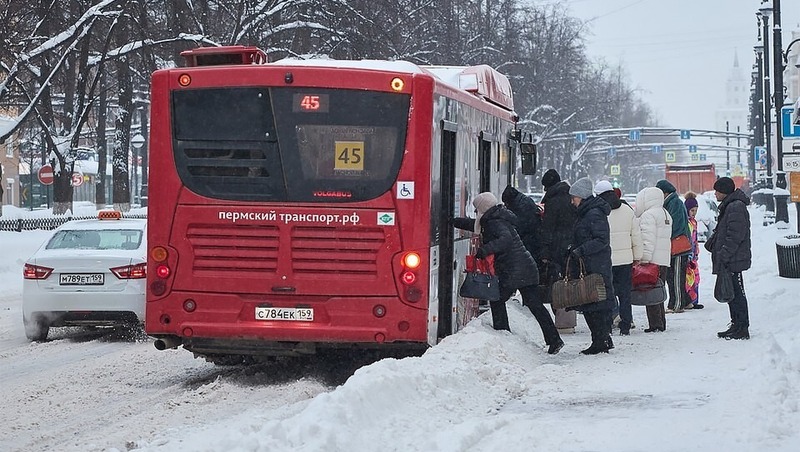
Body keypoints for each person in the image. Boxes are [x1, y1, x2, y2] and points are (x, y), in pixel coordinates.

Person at [453, 192, 564, 353]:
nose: (476, 213)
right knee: (535, 306)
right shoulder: (496, 218)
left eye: (477, 209)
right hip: (523, 268)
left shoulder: (494, 222)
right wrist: (455, 222)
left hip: (516, 270)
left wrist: (485, 250)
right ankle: (554, 339)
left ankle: (503, 332)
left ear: (483, 208)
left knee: (497, 299)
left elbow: (505, 239)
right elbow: (476, 226)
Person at [568, 177, 615, 354]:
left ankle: (600, 341)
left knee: (595, 303)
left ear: (581, 196)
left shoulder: (593, 213)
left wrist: (581, 250)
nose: (572, 201)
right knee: (593, 303)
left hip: (596, 264)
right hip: (592, 263)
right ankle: (602, 338)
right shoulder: (587, 212)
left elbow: (602, 240)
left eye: (574, 197)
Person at [706, 177, 752, 340]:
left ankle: (742, 327)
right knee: (732, 293)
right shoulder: (730, 206)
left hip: (733, 259)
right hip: (730, 258)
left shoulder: (735, 207)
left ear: (724, 191)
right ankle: (736, 324)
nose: (715, 193)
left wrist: (724, 254)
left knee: (737, 293)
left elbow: (735, 235)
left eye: (717, 190)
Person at [596, 180, 643, 335]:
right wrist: (637, 256)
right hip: (625, 260)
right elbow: (635, 235)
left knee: (607, 294)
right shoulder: (627, 210)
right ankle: (626, 325)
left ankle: (608, 324)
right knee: (625, 294)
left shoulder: (599, 211)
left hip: (605, 260)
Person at [539, 169, 578, 334]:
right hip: (572, 246)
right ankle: (568, 319)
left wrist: (545, 252)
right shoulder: (570, 198)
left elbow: (547, 229)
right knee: (570, 282)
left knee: (558, 283)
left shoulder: (553, 202)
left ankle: (562, 321)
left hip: (557, 248)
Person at [634, 187, 673, 332]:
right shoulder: (665, 213)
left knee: (650, 293)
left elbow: (647, 239)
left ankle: (655, 324)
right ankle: (661, 322)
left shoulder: (648, 215)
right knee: (659, 291)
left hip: (653, 260)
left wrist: (644, 258)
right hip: (663, 259)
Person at [655, 179, 691, 313]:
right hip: (677, 246)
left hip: (678, 247)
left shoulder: (674, 203)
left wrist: (664, 235)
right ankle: (686, 301)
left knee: (676, 277)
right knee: (674, 276)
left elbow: (675, 225)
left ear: (664, 193)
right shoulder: (672, 202)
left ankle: (677, 305)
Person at [683, 192, 704, 309]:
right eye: (692, 210)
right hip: (688, 254)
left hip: (693, 255)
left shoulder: (694, 222)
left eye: (696, 210)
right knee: (689, 278)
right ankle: (688, 300)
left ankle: (694, 300)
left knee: (695, 278)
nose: (694, 213)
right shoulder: (686, 223)